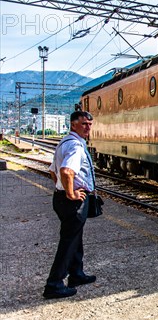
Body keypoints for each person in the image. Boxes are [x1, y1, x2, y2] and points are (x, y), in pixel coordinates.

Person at [43, 111, 96, 299]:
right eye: (83, 124)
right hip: (72, 202)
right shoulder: (75, 146)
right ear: (73, 125)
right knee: (68, 242)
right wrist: (71, 192)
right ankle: (54, 284)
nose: (88, 127)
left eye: (90, 124)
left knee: (75, 238)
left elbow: (52, 171)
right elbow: (66, 171)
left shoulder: (64, 142)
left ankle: (76, 274)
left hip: (61, 199)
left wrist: (61, 189)